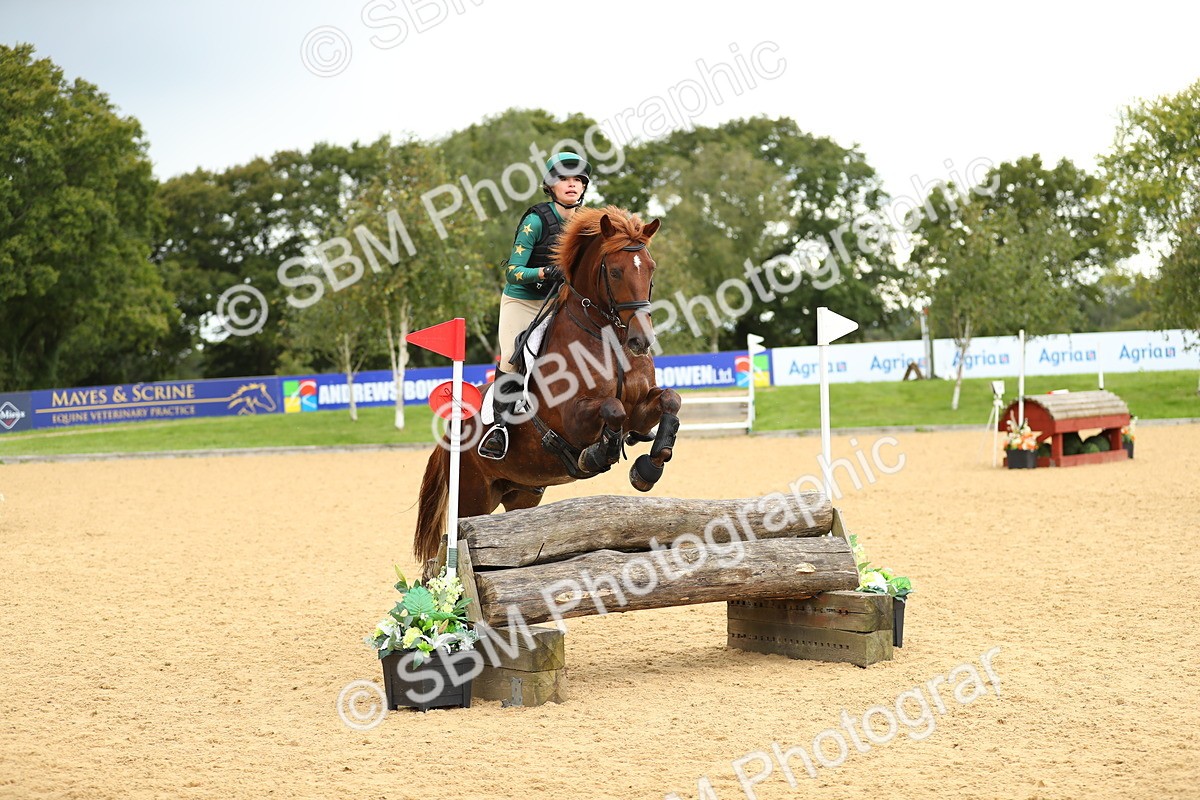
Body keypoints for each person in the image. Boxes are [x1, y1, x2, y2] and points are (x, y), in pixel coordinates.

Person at [477, 152, 591, 460]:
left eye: (578, 180)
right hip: (523, 300)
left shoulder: (587, 222)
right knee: (513, 357)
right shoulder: (535, 220)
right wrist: (544, 271)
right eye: (565, 179)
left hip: (559, 301)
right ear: (551, 185)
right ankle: (498, 428)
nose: (572, 185)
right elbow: (513, 270)